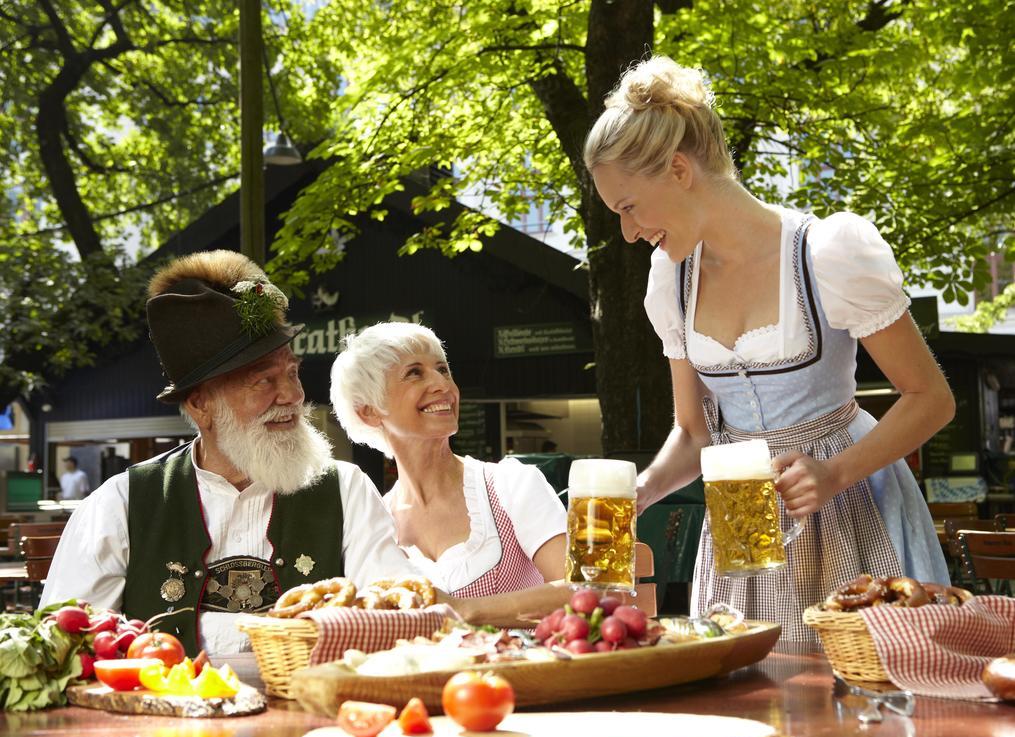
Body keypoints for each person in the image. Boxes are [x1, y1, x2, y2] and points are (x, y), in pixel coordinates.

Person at [583, 56, 953, 643]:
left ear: (679, 169)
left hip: (850, 509)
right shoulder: (669, 279)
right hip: (740, 525)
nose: (628, 232)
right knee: (747, 682)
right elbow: (694, 433)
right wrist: (644, 490)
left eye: (628, 208)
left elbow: (930, 398)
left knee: (867, 685)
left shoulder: (826, 252)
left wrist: (835, 471)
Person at [42, 251, 415, 658]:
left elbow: (396, 617)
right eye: (263, 381)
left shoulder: (347, 490)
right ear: (202, 405)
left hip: (313, 716)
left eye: (292, 372)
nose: (292, 396)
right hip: (161, 718)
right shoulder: (122, 504)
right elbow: (65, 647)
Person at [330, 322, 570, 625]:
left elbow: (582, 593)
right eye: (414, 373)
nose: (443, 385)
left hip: (527, 670)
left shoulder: (510, 485)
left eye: (443, 370)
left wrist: (465, 610)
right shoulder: (375, 524)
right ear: (369, 411)